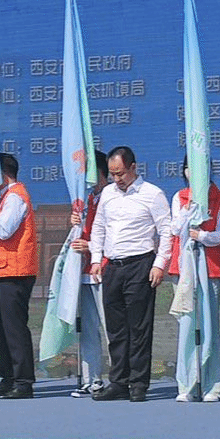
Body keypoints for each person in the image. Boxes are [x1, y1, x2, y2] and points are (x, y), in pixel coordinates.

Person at [87, 145, 172, 402]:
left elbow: (166, 231)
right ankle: (118, 382)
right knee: (115, 329)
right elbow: (99, 227)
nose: (117, 179)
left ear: (133, 168)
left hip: (140, 265)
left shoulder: (152, 194)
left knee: (139, 328)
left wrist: (159, 264)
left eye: (121, 173)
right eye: (112, 174)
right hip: (112, 267)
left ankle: (138, 383)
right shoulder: (108, 194)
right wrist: (95, 259)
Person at [0, 153, 39, 399]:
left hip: (17, 271)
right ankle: (8, 377)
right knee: (1, 328)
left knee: (14, 328)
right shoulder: (3, 196)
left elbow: (3, 229)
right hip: (4, 270)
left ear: (1, 173)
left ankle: (23, 381)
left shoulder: (15, 196)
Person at [169, 155, 220, 402]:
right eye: (188, 168)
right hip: (183, 269)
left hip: (210, 270)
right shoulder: (180, 197)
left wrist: (203, 236)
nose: (191, 172)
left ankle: (212, 385)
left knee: (209, 327)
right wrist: (188, 211)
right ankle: (187, 385)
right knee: (186, 326)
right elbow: (175, 229)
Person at [68, 150, 109, 397]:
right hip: (83, 271)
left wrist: (91, 246)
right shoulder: (87, 200)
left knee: (110, 327)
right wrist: (76, 223)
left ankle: (120, 379)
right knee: (88, 330)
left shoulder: (112, 197)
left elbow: (115, 237)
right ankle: (91, 379)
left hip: (104, 269)